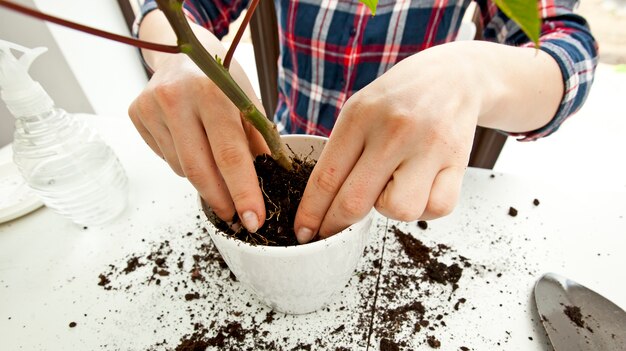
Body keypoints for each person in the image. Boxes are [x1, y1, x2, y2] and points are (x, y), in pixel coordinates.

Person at [128, 0, 597, 244]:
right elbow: (171, 11)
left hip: (397, 185)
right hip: (280, 146)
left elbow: (568, 49)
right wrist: (182, 55)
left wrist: (472, 74)